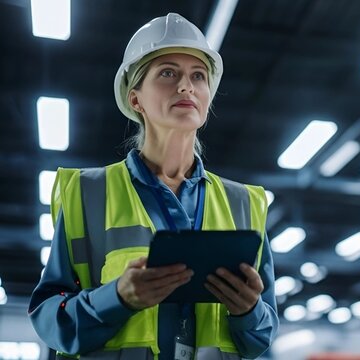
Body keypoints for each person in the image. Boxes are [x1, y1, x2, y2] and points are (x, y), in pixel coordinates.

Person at [28, 13, 279, 360]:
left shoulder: (244, 203)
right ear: (136, 100)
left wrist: (249, 311)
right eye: (168, 73)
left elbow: (263, 335)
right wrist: (116, 298)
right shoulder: (86, 193)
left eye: (198, 76)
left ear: (207, 98)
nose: (186, 86)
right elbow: (47, 317)